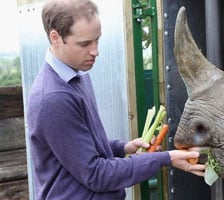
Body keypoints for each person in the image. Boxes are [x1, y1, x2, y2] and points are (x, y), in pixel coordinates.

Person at [26, 0, 205, 199]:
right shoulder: (54, 99)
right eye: (85, 44)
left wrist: (123, 147)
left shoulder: (76, 75)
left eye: (97, 40)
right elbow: (95, 174)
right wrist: (165, 158)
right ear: (55, 37)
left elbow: (80, 146)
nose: (95, 51)